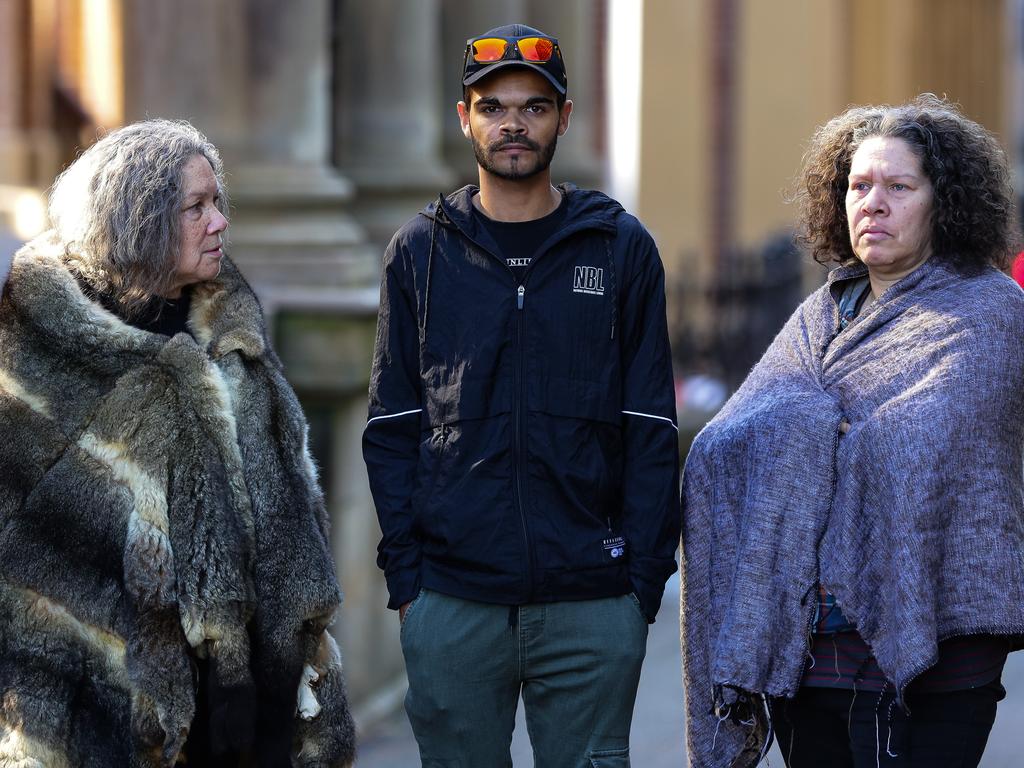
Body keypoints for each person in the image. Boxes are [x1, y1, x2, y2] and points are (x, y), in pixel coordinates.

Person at [362, 23, 680, 767]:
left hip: (591, 602)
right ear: (464, 118)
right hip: (453, 602)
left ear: (563, 119)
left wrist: (638, 587)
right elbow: (392, 424)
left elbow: (650, 427)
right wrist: (411, 582)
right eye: (494, 105)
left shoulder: (618, 247)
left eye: (534, 107)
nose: (513, 122)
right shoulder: (421, 251)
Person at [680, 94, 1024, 768]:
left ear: (943, 201)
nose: (874, 202)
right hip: (809, 662)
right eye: (860, 186)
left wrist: (819, 430)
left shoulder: (992, 318)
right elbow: (724, 447)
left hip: (940, 657)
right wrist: (809, 428)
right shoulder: (817, 319)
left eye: (899, 186)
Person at [0, 119, 355, 768]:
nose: (219, 222)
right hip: (103, 690)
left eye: (218, 203)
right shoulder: (51, 335)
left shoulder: (232, 328)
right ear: (138, 218)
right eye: (197, 207)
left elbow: (288, 495)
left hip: (245, 695)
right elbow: (24, 527)